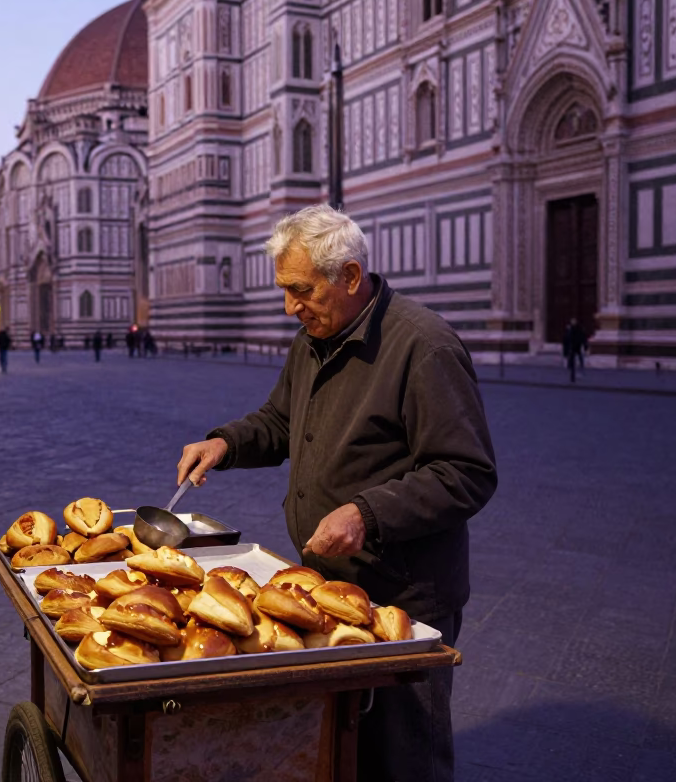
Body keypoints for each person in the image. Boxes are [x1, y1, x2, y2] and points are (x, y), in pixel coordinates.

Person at [177, 204, 497, 782]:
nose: (289, 307)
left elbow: (466, 471)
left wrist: (366, 513)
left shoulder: (424, 346)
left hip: (402, 597)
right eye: (284, 290)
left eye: (300, 290)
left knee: (404, 757)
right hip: (327, 588)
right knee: (339, 749)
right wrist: (225, 443)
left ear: (349, 277)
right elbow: (280, 421)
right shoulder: (312, 338)